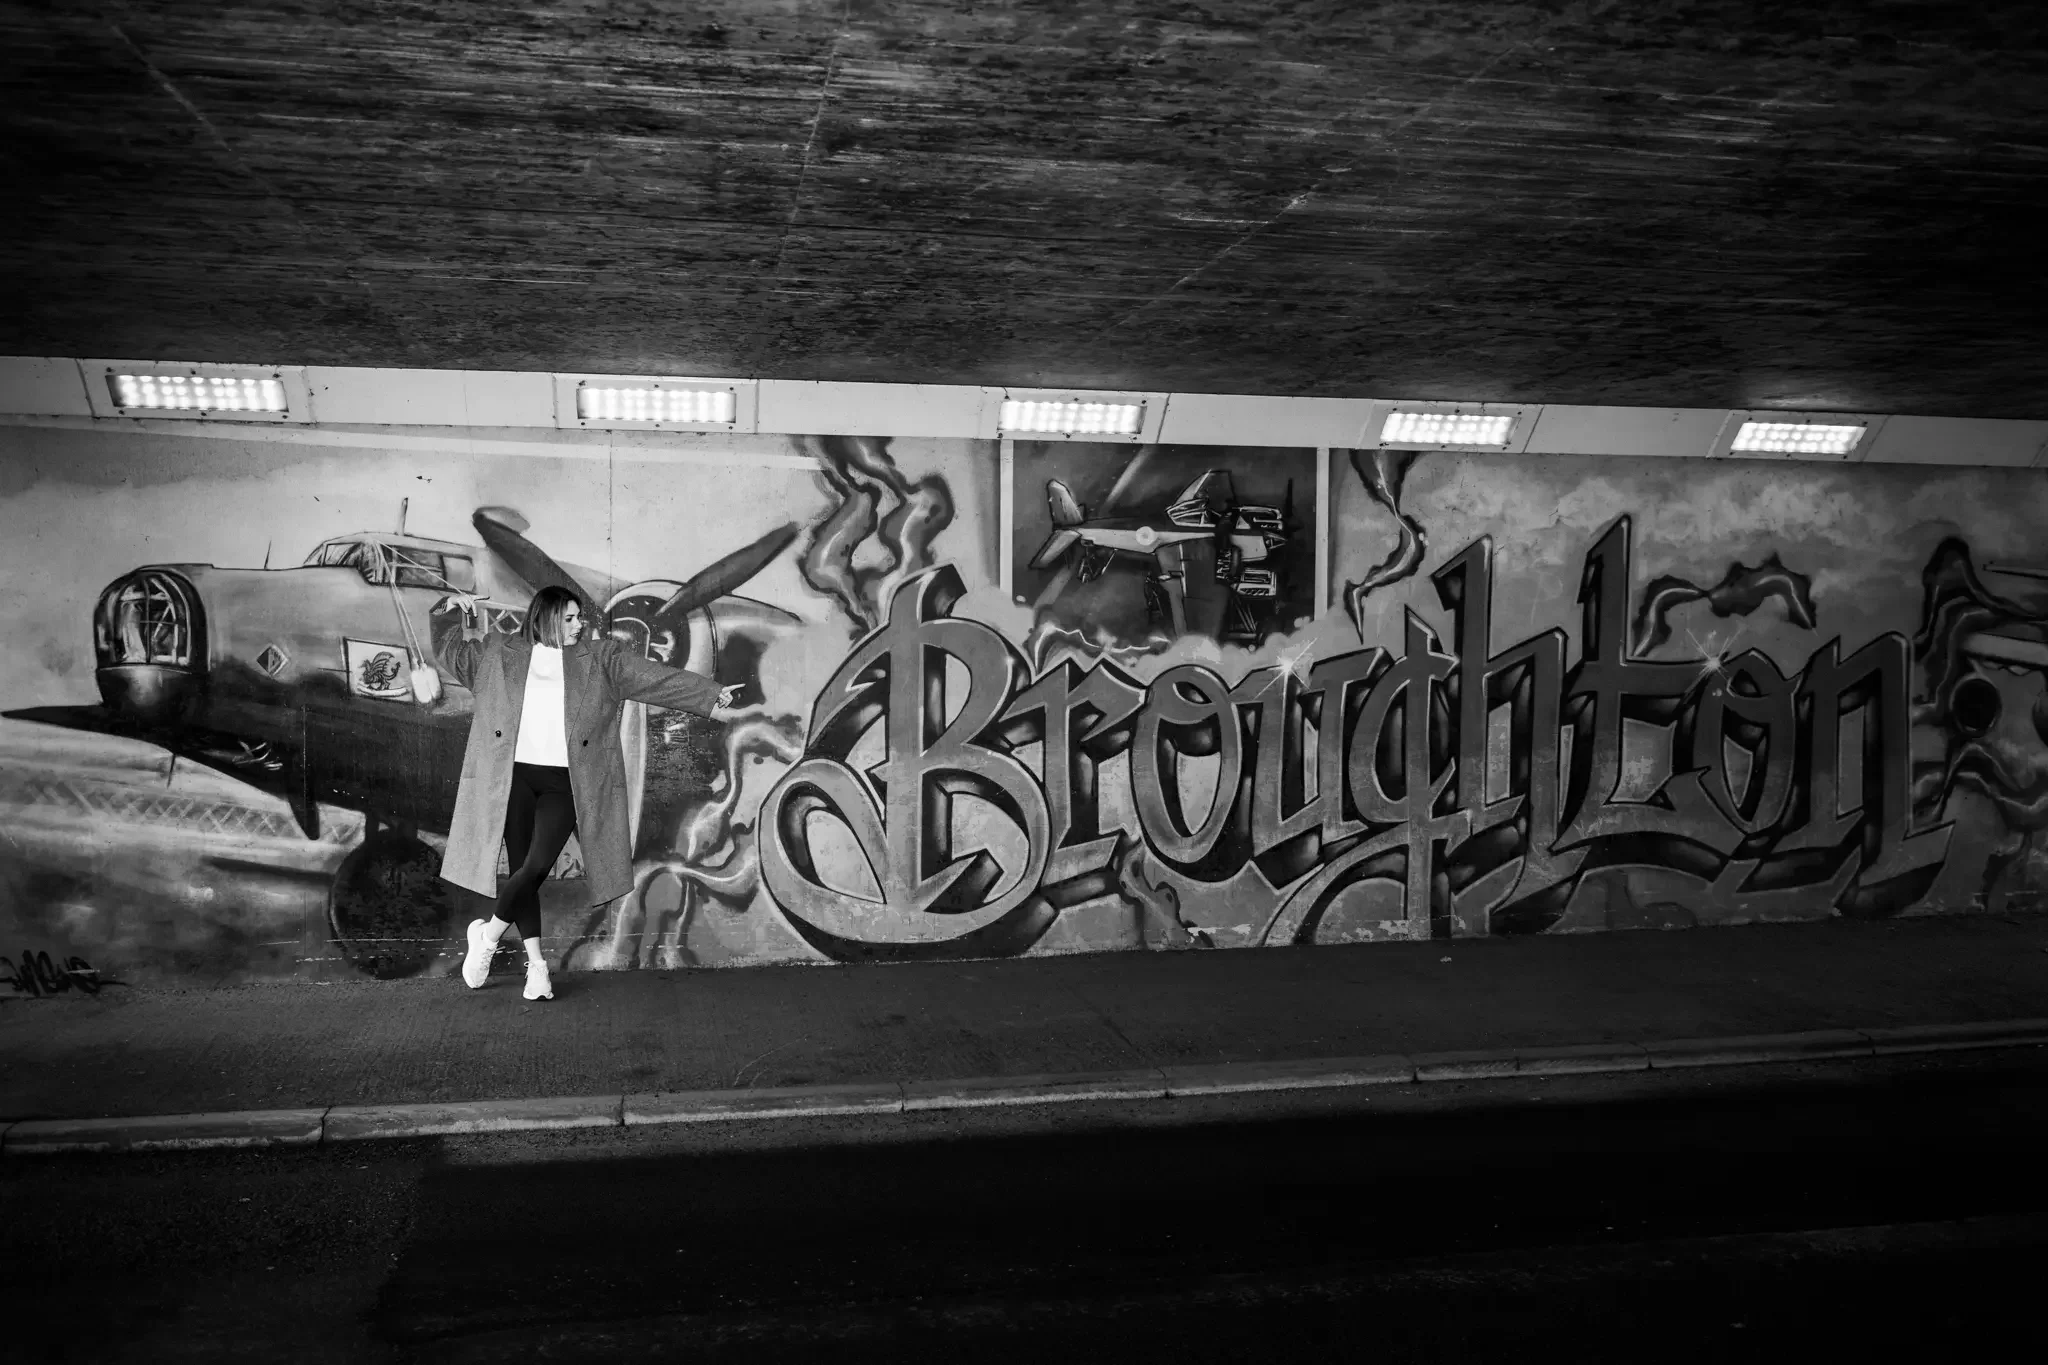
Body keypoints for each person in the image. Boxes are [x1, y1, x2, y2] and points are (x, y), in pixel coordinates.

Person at [427, 585, 738, 1000]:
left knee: (535, 866)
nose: (580, 625)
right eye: (570, 618)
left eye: (579, 618)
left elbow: (654, 679)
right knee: (522, 869)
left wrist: (709, 694)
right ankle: (537, 968)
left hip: (565, 783)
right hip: (513, 779)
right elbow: (450, 650)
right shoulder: (498, 652)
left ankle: (486, 938)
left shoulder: (601, 659)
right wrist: (446, 611)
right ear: (546, 618)